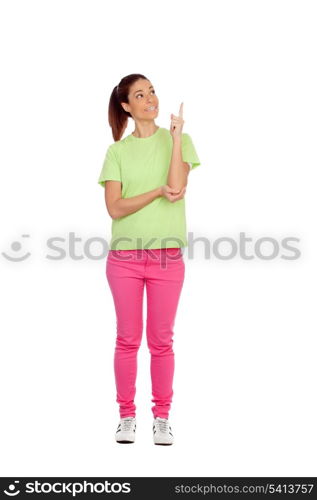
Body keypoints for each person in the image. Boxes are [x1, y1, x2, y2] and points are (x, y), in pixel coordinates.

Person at [98, 73, 201, 445]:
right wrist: (155, 191)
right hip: (124, 259)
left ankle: (162, 417)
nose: (150, 99)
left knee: (161, 341)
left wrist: (174, 139)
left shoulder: (180, 140)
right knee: (127, 339)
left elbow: (176, 187)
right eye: (140, 95)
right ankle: (126, 416)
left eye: (152, 91)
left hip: (166, 259)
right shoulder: (117, 152)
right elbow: (115, 208)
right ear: (127, 106)